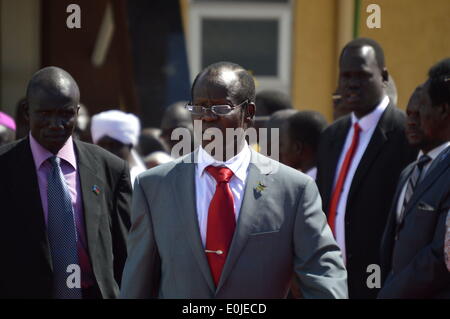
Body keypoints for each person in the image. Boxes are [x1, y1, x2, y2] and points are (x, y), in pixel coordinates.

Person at [120, 61, 348, 299]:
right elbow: (138, 282)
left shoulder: (294, 190)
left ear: (248, 113)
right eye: (199, 108)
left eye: (219, 109)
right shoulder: (154, 186)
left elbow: (323, 275)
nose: (206, 118)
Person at [0, 66, 132, 299]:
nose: (55, 123)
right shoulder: (5, 166)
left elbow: (126, 253)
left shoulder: (110, 168)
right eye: (45, 113)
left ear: (77, 112)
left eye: (65, 114)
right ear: (27, 112)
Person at [316, 38, 417, 299]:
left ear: (383, 76)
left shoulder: (406, 135)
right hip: (332, 282)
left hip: (383, 283)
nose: (351, 83)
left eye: (361, 75)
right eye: (346, 76)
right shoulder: (331, 136)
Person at [379, 58, 450, 298]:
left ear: (443, 111)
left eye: (419, 112)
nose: (410, 120)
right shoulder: (409, 172)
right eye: (408, 113)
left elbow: (440, 256)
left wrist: (391, 293)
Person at [91, 110, 147, 186]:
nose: (107, 151)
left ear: (130, 146)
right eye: (102, 145)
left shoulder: (142, 182)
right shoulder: (91, 178)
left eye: (113, 145)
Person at [280, 110, 328, 179]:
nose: (280, 151)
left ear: (297, 148)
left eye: (282, 145)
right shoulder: (331, 177)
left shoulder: (309, 186)